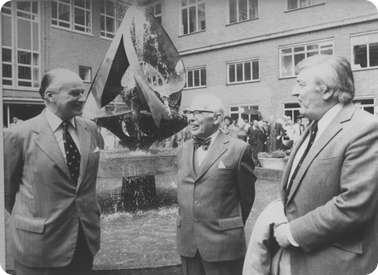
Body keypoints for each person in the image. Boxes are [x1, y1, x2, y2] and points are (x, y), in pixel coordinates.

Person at [273, 55, 378, 275]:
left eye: (301, 84)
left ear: (327, 91)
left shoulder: (364, 128)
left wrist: (293, 232)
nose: (294, 91)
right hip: (299, 259)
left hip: (334, 264)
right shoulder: (315, 125)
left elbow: (354, 204)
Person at [4, 68, 104, 275]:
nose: (82, 98)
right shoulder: (19, 135)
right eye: (74, 93)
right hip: (38, 247)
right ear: (49, 95)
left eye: (82, 92)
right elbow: (6, 190)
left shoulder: (91, 129)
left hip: (84, 241)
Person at [177, 94, 257, 275]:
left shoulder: (238, 149)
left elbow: (247, 199)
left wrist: (228, 226)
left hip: (223, 246)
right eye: (189, 112)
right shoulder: (183, 149)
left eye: (198, 112)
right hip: (188, 244)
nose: (191, 117)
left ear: (217, 118)